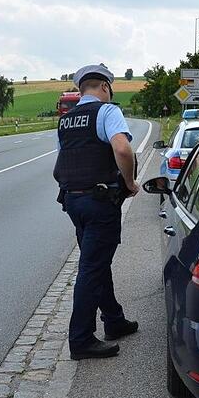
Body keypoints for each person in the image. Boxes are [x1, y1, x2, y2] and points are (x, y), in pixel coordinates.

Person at [54, 64, 140, 360]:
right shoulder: (107, 111)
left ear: (80, 90)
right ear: (104, 88)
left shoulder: (66, 121)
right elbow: (124, 150)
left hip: (73, 201)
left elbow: (63, 159)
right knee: (91, 268)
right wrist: (129, 183)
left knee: (96, 262)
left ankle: (114, 320)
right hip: (100, 202)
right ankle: (81, 339)